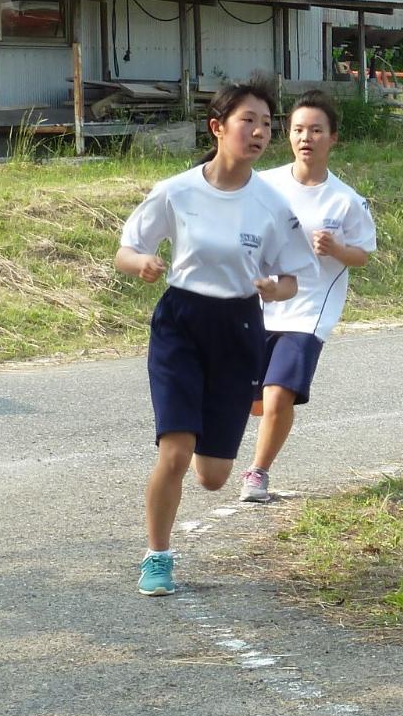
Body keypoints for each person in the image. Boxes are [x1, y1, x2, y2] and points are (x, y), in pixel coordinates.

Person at [117, 80, 316, 596]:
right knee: (176, 452)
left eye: (267, 124)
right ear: (218, 127)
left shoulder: (271, 204)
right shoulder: (178, 190)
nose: (259, 132)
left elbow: (294, 275)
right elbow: (127, 249)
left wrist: (276, 287)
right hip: (180, 323)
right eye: (248, 120)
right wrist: (142, 262)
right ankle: (157, 557)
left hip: (239, 328)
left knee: (212, 476)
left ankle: (210, 468)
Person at [240, 90, 378, 503]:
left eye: (316, 130)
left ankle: (257, 474)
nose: (307, 138)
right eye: (299, 129)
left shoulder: (346, 200)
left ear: (332, 138)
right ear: (289, 135)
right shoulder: (264, 185)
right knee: (255, 400)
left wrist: (336, 249)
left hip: (309, 312)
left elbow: (363, 255)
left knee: (279, 392)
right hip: (259, 306)